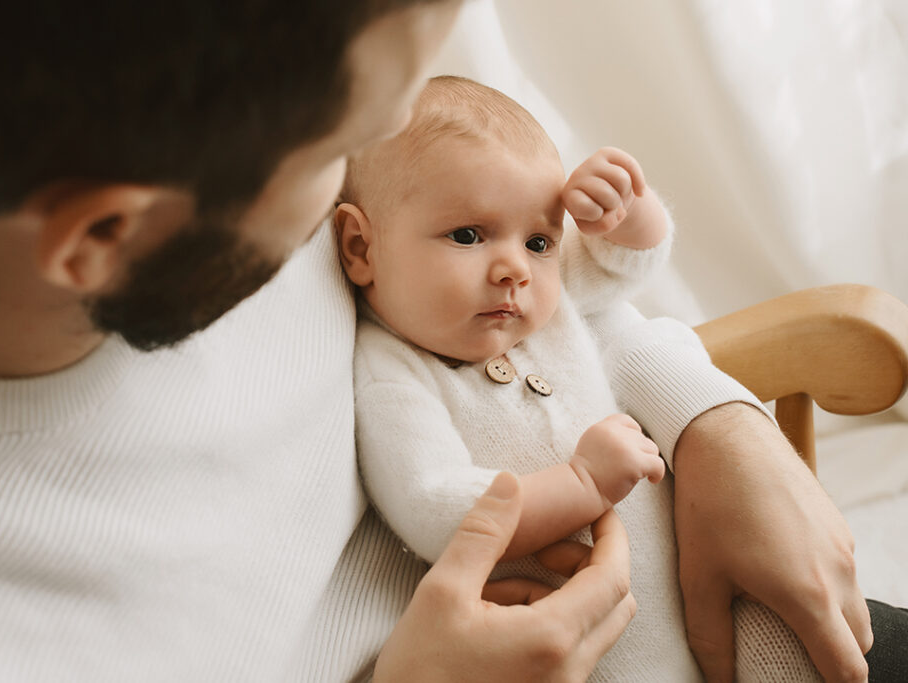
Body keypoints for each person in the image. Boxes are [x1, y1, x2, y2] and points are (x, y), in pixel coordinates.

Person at [0, 2, 883, 681]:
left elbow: (565, 307)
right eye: (342, 153)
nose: (390, 149)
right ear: (105, 234)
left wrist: (717, 420)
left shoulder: (266, 115)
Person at [336, 74, 833, 680]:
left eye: (540, 240)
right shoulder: (392, 373)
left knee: (802, 644)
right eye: (467, 235)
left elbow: (624, 265)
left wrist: (627, 210)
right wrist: (581, 481)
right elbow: (435, 510)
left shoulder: (540, 312)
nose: (514, 269)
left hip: (700, 597)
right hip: (584, 652)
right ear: (361, 247)